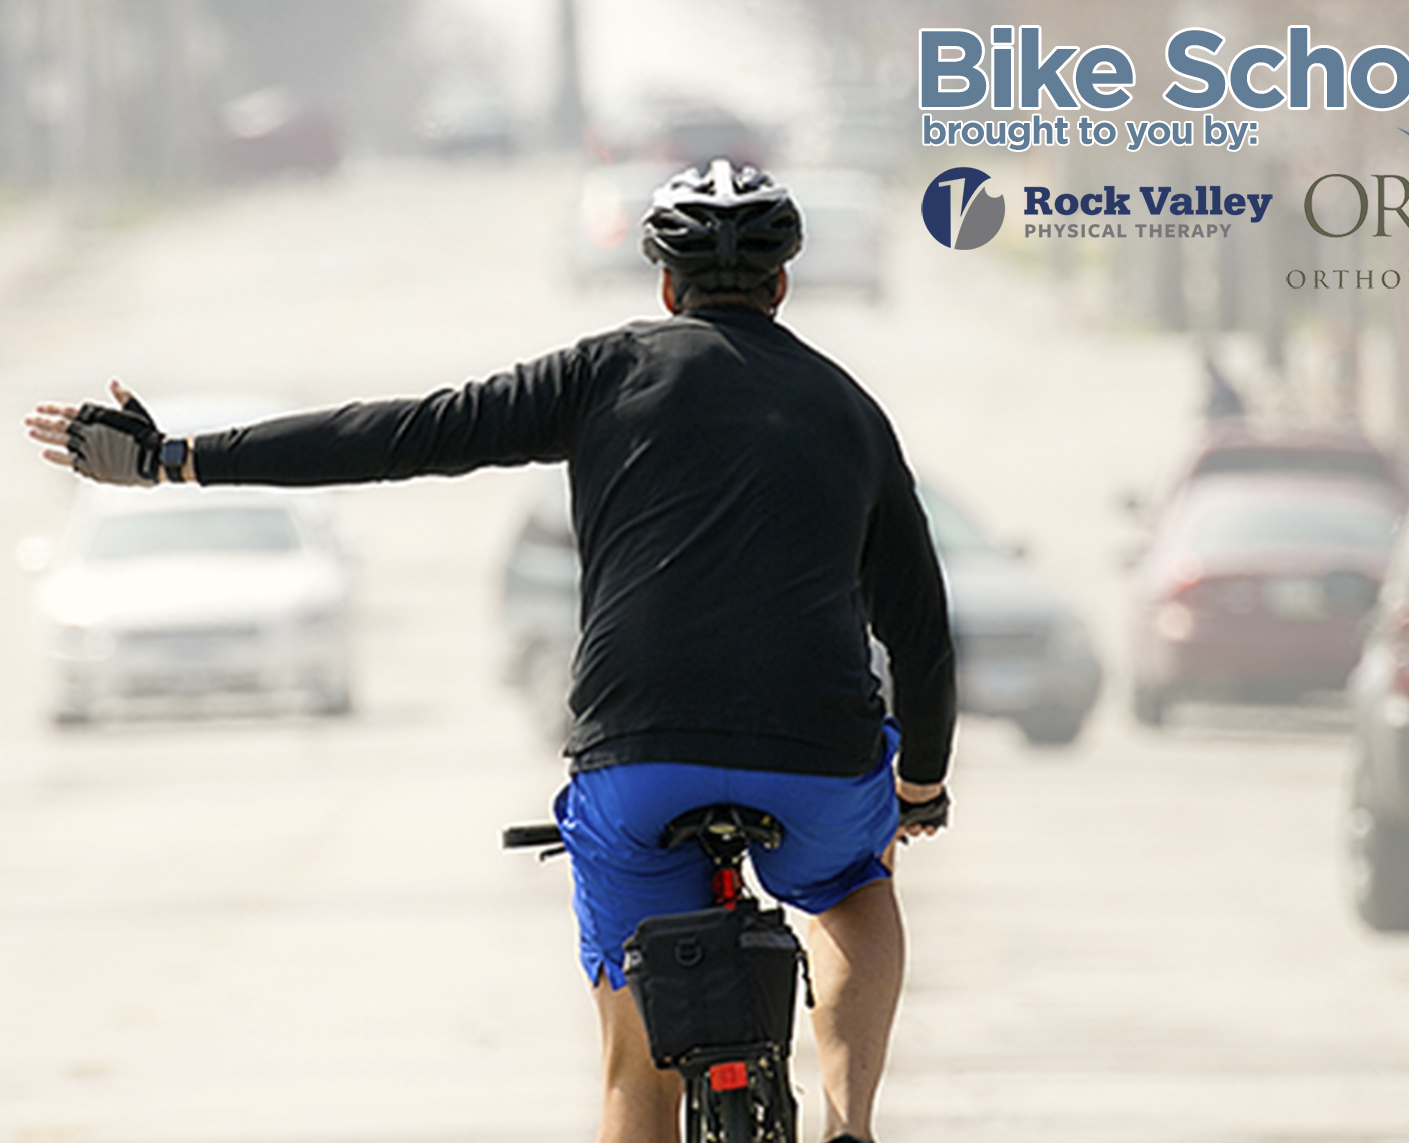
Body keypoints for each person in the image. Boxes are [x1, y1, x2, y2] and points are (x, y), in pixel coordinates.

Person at [24, 159, 956, 1143]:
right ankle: (849, 1124)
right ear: (780, 286)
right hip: (814, 759)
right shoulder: (852, 412)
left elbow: (398, 435)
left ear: (666, 287)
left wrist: (176, 457)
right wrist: (922, 787)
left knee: (633, 1068)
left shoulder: (603, 374)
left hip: (637, 758)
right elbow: (921, 629)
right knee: (855, 890)